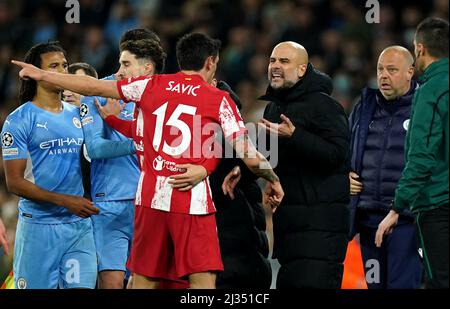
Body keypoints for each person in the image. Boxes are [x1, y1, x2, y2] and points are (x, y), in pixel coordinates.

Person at [12, 32, 285, 289]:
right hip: (191, 204)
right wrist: (272, 179)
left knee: (143, 280)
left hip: (149, 202)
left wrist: (43, 75)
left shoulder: (151, 86)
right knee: (202, 282)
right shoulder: (219, 99)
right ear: (211, 62)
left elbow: (93, 85)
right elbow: (250, 155)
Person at [2, 42, 99, 289]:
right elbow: (14, 183)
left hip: (78, 226)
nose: (62, 71)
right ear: (37, 74)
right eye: (54, 66)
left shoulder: (79, 114)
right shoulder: (19, 120)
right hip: (38, 227)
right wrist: (65, 200)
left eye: (64, 65)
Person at [258, 41, 350, 288]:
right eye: (272, 61)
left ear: (302, 70)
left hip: (321, 233)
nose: (275, 66)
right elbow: (277, 160)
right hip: (289, 232)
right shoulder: (273, 108)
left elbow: (338, 155)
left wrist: (296, 135)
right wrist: (270, 178)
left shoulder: (325, 106)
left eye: (284, 62)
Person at [376, 17, 449, 289]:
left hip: (438, 205)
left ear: (419, 49)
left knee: (439, 281)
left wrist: (397, 206)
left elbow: (422, 156)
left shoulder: (431, 90)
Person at [348, 46, 422, 289]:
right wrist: (344, 175)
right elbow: (345, 150)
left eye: (392, 70)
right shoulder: (365, 107)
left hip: (406, 221)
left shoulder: (424, 109)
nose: (383, 76)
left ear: (410, 72)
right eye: (380, 69)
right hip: (369, 219)